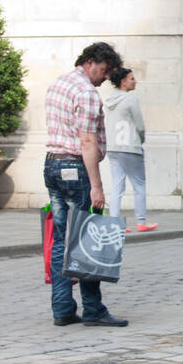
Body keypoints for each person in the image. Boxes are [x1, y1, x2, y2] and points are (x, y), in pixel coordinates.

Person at [44, 42, 128, 327]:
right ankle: (93, 308)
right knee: (87, 240)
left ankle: (62, 308)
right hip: (74, 168)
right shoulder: (86, 92)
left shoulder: (59, 84)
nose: (105, 78)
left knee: (60, 240)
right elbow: (87, 141)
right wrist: (97, 186)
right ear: (90, 62)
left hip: (52, 164)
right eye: (104, 71)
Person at [105, 67, 157, 233]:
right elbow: (140, 125)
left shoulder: (109, 101)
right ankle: (141, 221)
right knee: (139, 185)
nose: (135, 81)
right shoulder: (130, 99)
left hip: (113, 148)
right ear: (123, 82)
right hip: (130, 148)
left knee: (117, 187)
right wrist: (141, 140)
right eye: (132, 78)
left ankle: (114, 223)